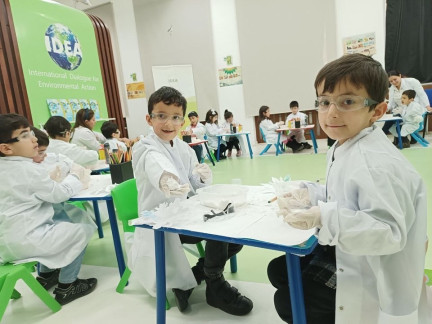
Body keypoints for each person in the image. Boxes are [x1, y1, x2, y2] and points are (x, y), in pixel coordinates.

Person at [267, 54, 430, 323]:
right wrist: (311, 194)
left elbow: (388, 234)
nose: (331, 112)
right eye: (324, 101)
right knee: (279, 270)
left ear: (376, 111)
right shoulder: (345, 143)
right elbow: (346, 196)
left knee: (287, 301)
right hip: (349, 247)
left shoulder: (376, 163)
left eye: (347, 102)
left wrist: (323, 217)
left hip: (371, 268)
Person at [131, 86, 253, 315]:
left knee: (234, 234)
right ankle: (215, 285)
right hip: (160, 218)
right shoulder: (144, 147)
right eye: (161, 116)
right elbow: (156, 163)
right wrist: (166, 179)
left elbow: (194, 184)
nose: (168, 123)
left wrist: (201, 176)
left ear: (183, 121)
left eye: (175, 117)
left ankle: (200, 274)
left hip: (184, 213)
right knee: (218, 230)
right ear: (149, 118)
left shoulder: (183, 147)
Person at [0, 114, 97, 306]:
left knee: (61, 221)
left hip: (6, 242)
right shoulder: (28, 170)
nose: (35, 138)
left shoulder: (10, 166)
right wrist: (77, 176)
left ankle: (46, 275)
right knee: (83, 229)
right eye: (25, 135)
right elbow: (60, 194)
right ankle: (68, 286)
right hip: (26, 241)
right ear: (6, 148)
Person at [381, 70, 430, 135]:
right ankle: (397, 137)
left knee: (398, 117)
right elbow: (391, 103)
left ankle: (384, 132)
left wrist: (427, 106)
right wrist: (385, 108)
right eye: (391, 81)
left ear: (400, 76)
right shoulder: (392, 88)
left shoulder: (412, 81)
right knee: (394, 116)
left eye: (395, 79)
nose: (393, 82)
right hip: (401, 110)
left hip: (413, 108)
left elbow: (422, 94)